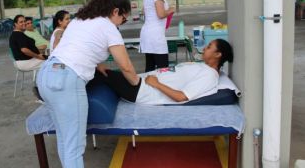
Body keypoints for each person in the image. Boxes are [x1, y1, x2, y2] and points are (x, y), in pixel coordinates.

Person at [36, 0, 140, 168]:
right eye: (123, 18)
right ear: (115, 11)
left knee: (65, 140)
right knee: (74, 146)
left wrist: (97, 64)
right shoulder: (109, 28)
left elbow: (77, 46)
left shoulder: (79, 20)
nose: (122, 23)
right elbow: (126, 67)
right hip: (67, 80)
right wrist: (137, 84)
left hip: (46, 74)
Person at [89, 39, 233, 105]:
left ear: (218, 55)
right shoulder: (202, 67)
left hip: (143, 90)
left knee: (101, 72)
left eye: (209, 47)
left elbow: (182, 97)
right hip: (141, 81)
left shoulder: (209, 76)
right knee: (102, 72)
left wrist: (156, 84)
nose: (205, 48)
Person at [139, 0, 175, 72]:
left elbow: (144, 12)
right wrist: (171, 10)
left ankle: (148, 87)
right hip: (156, 37)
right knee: (163, 70)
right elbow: (161, 14)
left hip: (148, 35)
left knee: (150, 69)